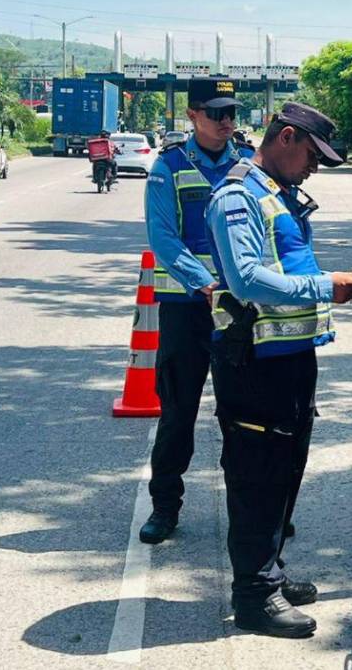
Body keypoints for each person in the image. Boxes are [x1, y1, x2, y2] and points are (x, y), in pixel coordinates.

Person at [205, 103, 352, 638]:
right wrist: (328, 286)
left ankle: (269, 575)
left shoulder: (276, 194)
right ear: (287, 137)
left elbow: (287, 268)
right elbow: (248, 278)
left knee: (284, 474)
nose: (314, 169)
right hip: (253, 366)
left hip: (290, 360)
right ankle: (254, 597)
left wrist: (331, 286)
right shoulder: (238, 196)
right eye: (312, 157)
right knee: (257, 479)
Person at [138, 78, 246, 544]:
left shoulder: (248, 167)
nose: (226, 123)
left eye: (232, 114)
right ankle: (165, 507)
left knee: (242, 413)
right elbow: (163, 238)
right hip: (186, 309)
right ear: (192, 116)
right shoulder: (168, 167)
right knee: (178, 413)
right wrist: (204, 284)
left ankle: (253, 513)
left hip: (239, 310)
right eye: (216, 113)